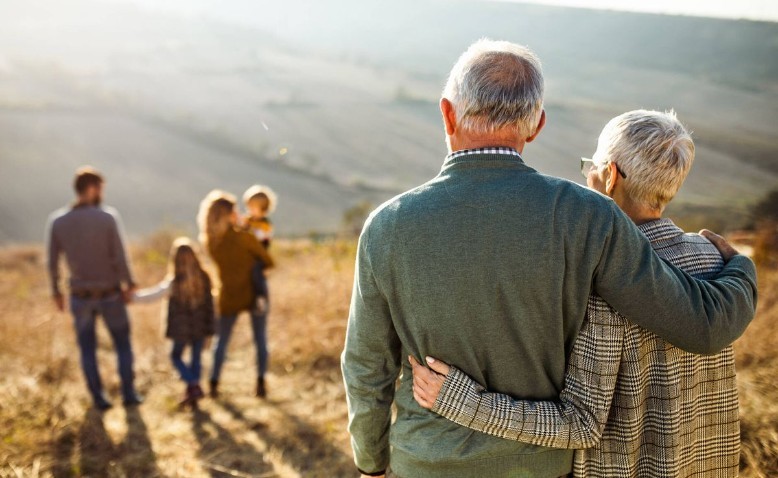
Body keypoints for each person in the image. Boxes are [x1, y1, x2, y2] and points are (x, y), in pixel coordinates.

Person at [340, 39, 757, 478]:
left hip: (425, 462)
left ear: (447, 113)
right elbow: (698, 323)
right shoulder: (587, 215)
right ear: (536, 125)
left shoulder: (387, 225)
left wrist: (371, 462)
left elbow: (367, 365)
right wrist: (740, 267)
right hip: (540, 467)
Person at [411, 109, 742, 477]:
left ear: (610, 176)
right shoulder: (714, 259)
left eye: (592, 166)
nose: (587, 176)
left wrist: (463, 402)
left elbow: (581, 424)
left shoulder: (600, 281)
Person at [46, 166, 143, 410]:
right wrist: (129, 283)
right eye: (100, 188)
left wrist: (56, 292)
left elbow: (52, 261)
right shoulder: (107, 217)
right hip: (110, 293)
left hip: (79, 296)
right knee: (122, 344)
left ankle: (99, 398)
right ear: (91, 188)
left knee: (87, 348)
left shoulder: (58, 221)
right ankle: (129, 394)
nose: (102, 193)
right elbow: (119, 256)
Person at [197, 190, 275, 399]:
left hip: (229, 293)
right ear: (229, 214)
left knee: (221, 341)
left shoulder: (211, 242)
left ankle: (213, 383)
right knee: (260, 339)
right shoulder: (245, 238)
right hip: (255, 291)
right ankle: (260, 383)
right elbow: (268, 260)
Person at [134, 238, 215, 408]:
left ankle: (192, 385)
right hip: (200, 327)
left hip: (181, 329)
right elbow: (210, 305)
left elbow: (153, 295)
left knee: (175, 356)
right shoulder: (204, 278)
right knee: (195, 359)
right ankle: (193, 389)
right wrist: (210, 328)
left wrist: (132, 297)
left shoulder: (174, 281)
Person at [241, 184, 277, 316]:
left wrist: (248, 229)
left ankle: (260, 297)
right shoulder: (248, 220)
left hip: (259, 256)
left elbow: (260, 239)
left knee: (257, 272)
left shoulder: (265, 224)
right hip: (247, 256)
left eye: (253, 207)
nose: (250, 210)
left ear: (263, 209)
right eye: (248, 207)